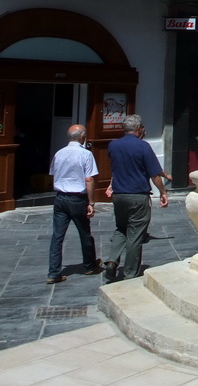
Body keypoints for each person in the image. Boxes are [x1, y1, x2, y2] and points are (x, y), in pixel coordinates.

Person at [104, 113, 168, 281]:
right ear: (139, 129)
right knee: (135, 234)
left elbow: (116, 168)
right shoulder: (143, 147)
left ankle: (112, 260)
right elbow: (154, 174)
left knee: (120, 227)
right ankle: (130, 272)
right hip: (138, 195)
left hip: (119, 195)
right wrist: (163, 192)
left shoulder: (113, 145)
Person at [47, 124, 102, 284]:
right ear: (82, 137)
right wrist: (91, 202)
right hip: (77, 199)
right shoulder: (85, 154)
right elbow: (89, 179)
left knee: (57, 236)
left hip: (60, 197)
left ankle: (53, 271)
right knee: (85, 233)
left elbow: (54, 174)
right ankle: (89, 265)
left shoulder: (59, 153)